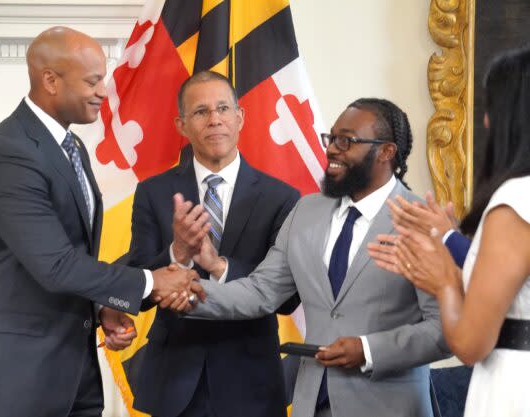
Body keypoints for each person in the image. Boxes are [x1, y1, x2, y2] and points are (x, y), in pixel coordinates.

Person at [0, 26, 200, 417]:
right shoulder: (9, 153)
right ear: (50, 80)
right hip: (11, 385)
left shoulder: (71, 146)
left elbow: (68, 256)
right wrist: (151, 281)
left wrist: (101, 308)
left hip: (72, 378)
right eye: (93, 81)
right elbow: (56, 265)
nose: (102, 92)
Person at [171, 98, 450, 417]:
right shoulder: (306, 210)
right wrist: (189, 293)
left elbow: (444, 328)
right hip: (311, 401)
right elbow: (262, 291)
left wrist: (368, 350)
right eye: (331, 138)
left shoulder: (422, 222)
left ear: (386, 151)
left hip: (388, 406)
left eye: (347, 141)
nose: (332, 149)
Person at [122, 70, 301, 417]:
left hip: (251, 381)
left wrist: (219, 266)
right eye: (201, 112)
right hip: (174, 381)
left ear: (240, 117)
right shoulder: (153, 193)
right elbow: (135, 284)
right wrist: (178, 254)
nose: (214, 119)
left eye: (222, 108)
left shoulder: (281, 197)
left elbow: (288, 297)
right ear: (181, 125)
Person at [368, 46, 530, 417]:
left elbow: (471, 344)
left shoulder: (515, 201)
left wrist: (443, 282)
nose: (485, 121)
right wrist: (450, 239)